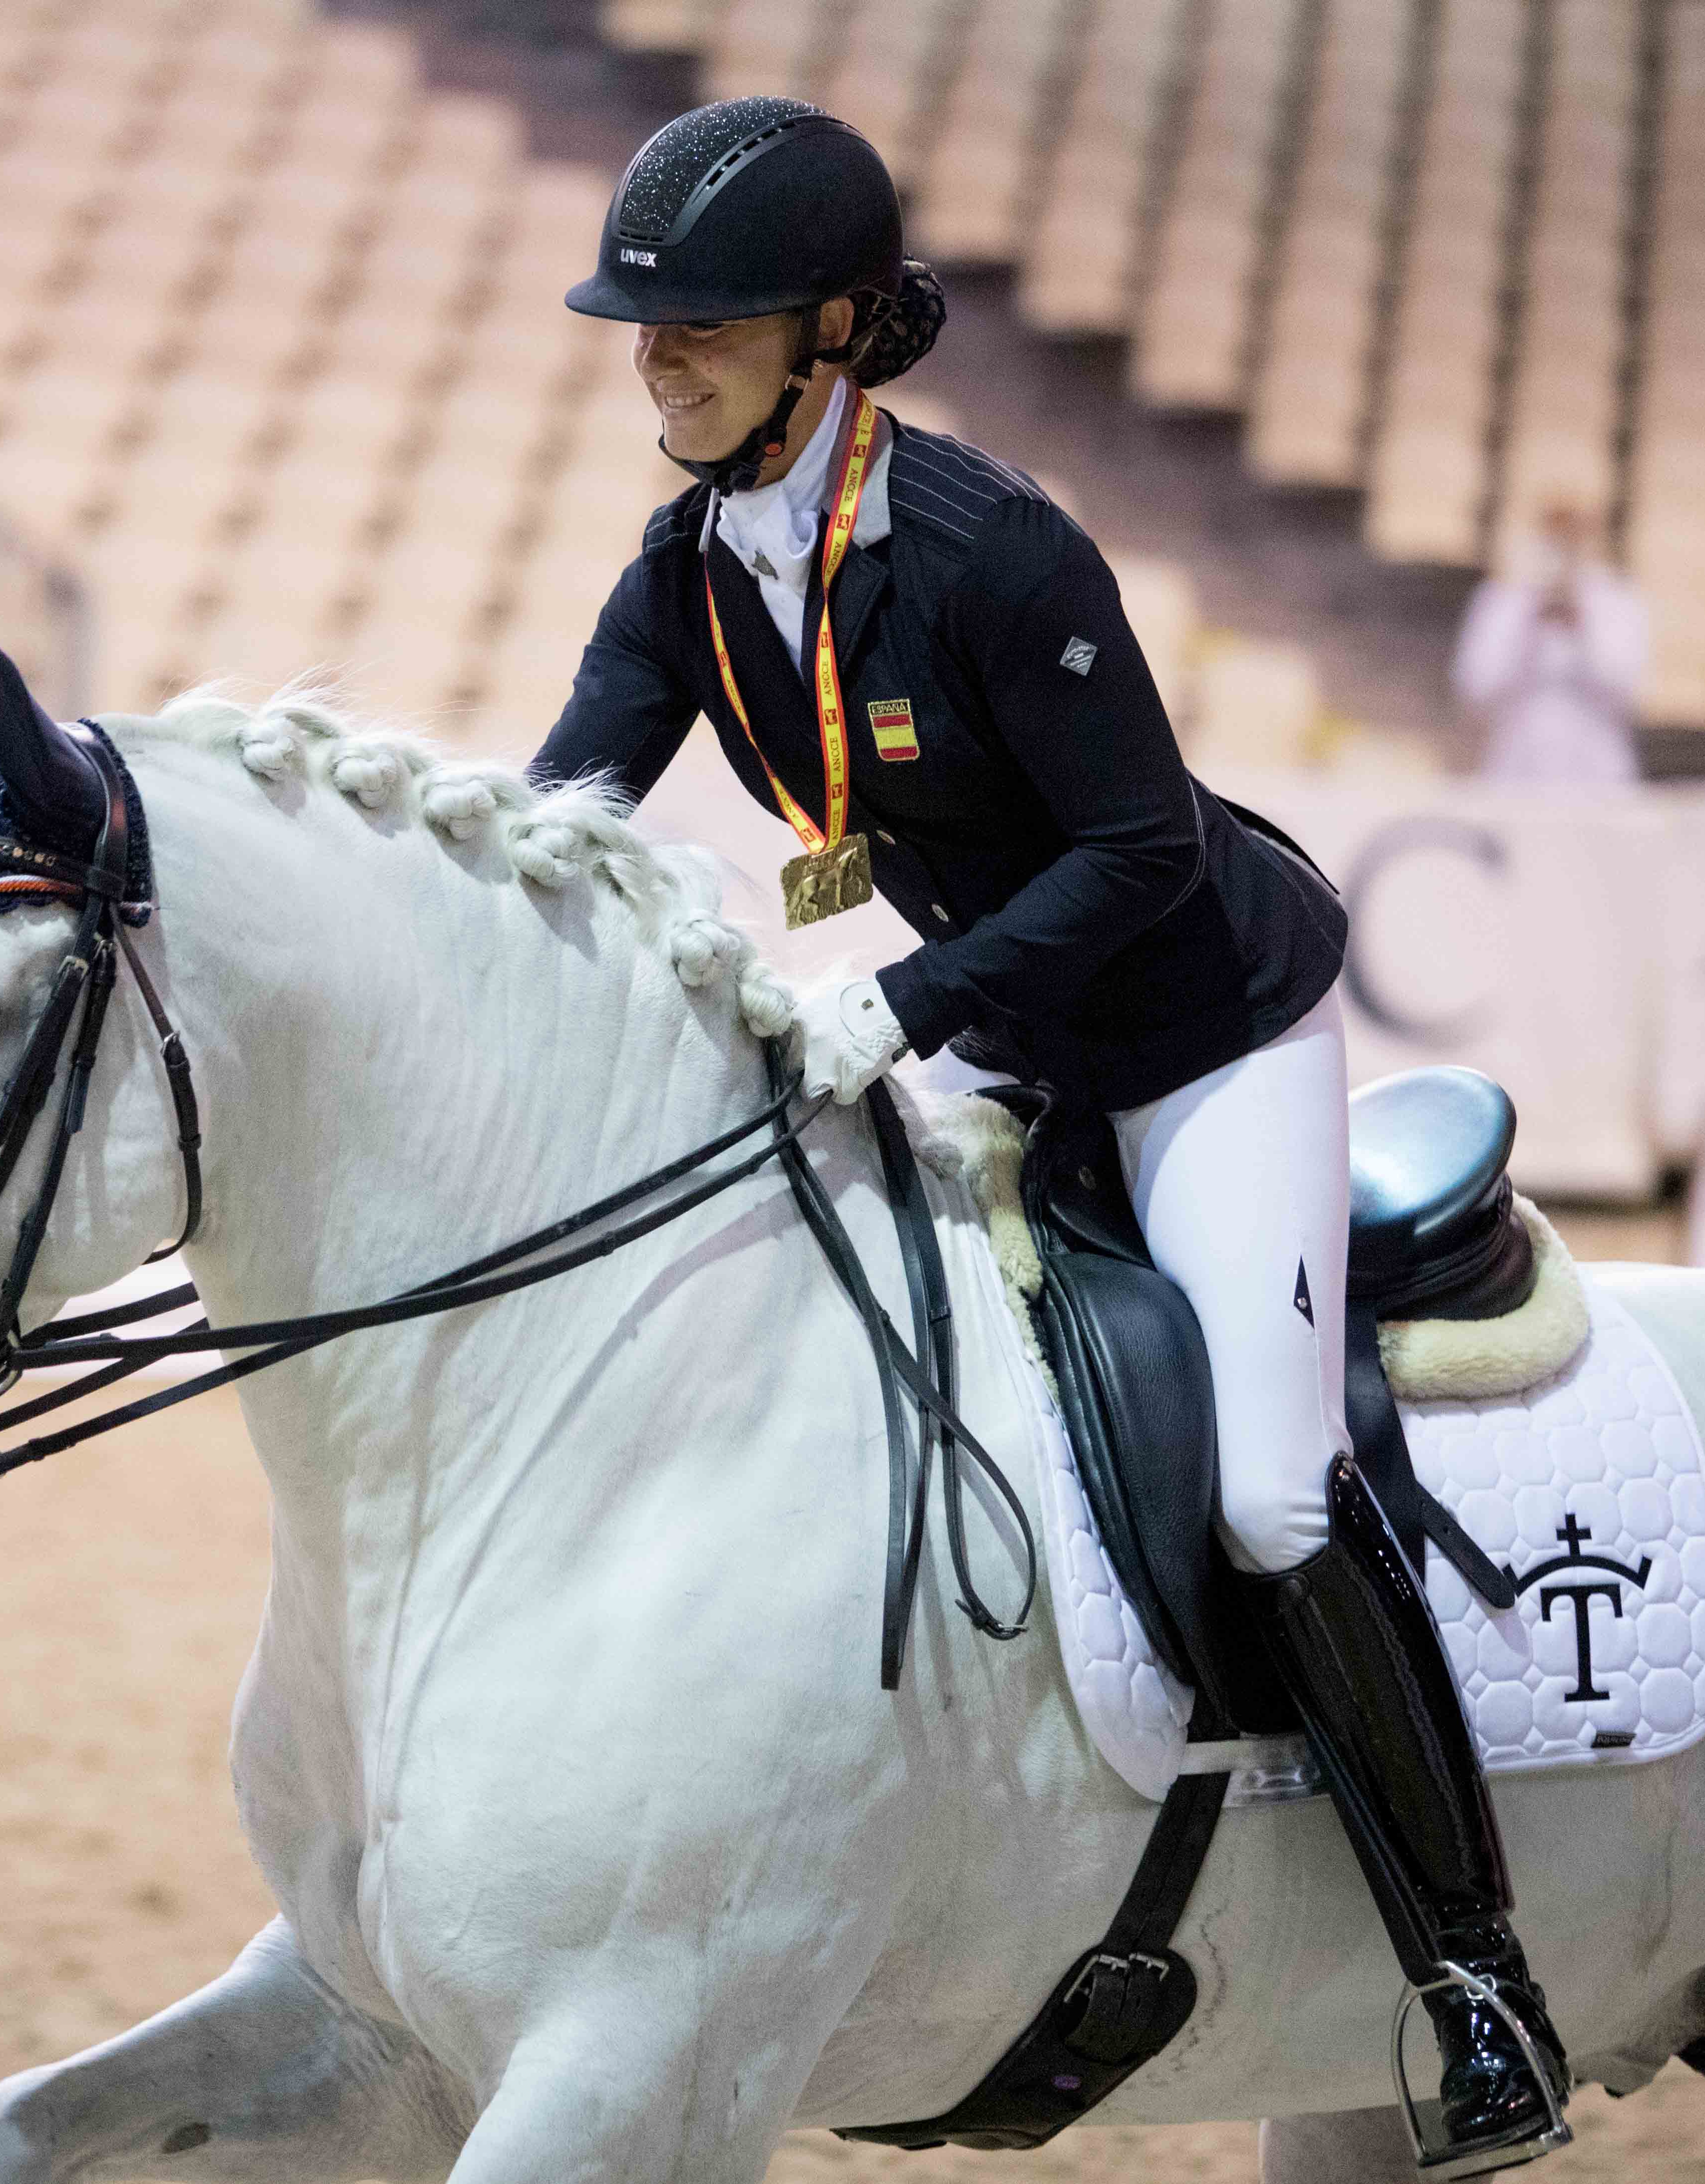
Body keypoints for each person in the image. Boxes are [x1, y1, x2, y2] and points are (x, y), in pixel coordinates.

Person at [530, 97, 1570, 2171]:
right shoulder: (685, 574)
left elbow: (1140, 847)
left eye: (703, 323)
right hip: (993, 1029)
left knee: (1270, 1487)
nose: (656, 356)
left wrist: (903, 1002)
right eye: (639, 325)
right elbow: (559, 812)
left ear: (831, 331)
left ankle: (1473, 1977)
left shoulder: (1000, 553)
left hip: (1198, 1029)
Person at [1452, 501, 1650, 787]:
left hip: (1597, 772)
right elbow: (1476, 690)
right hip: (1517, 767)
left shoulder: (1617, 601)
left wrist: (1583, 630)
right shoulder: (1503, 599)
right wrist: (1527, 628)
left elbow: (1631, 693)